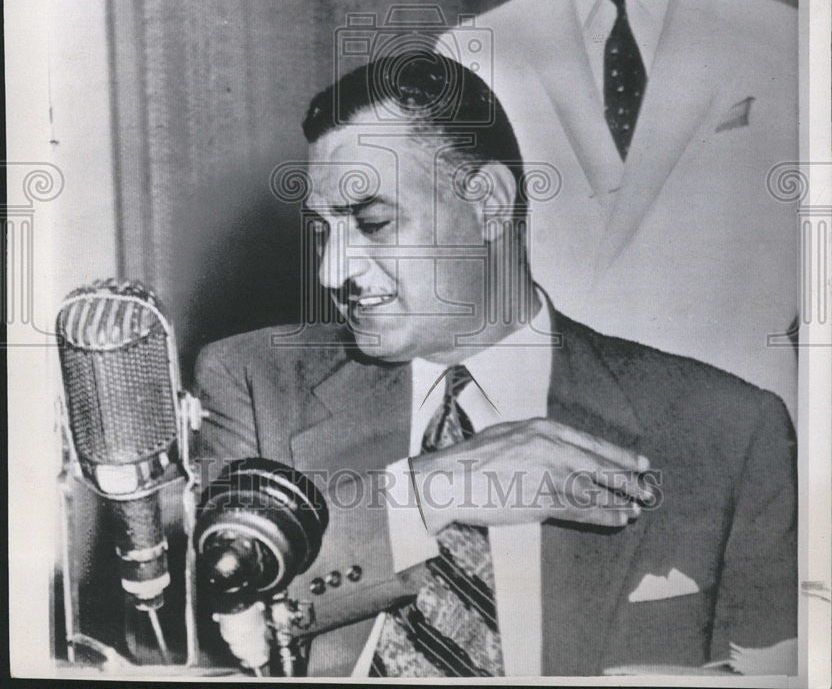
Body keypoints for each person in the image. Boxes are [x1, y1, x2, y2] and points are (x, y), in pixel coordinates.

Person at [194, 53, 796, 677]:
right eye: (323, 230)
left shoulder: (728, 429)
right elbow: (196, 617)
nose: (331, 271)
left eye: (373, 222)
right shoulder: (253, 382)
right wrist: (425, 492)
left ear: (488, 202)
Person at [452, 0, 799, 415]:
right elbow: (462, 271)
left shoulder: (780, 39)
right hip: (554, 419)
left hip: (742, 421)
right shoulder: (474, 53)